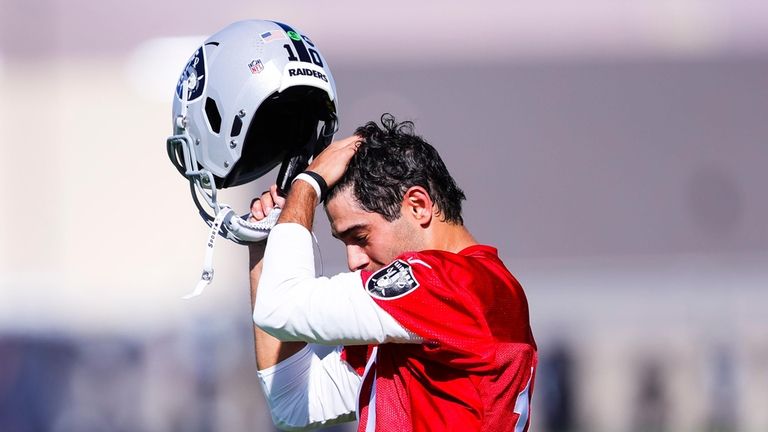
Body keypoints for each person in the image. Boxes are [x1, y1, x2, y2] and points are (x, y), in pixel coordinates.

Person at [248, 114, 537, 431]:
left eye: (361, 237)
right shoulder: (428, 314)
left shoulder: (448, 283)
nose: (353, 261)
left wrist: (308, 185)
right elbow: (296, 402)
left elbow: (279, 307)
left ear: (418, 205)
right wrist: (267, 243)